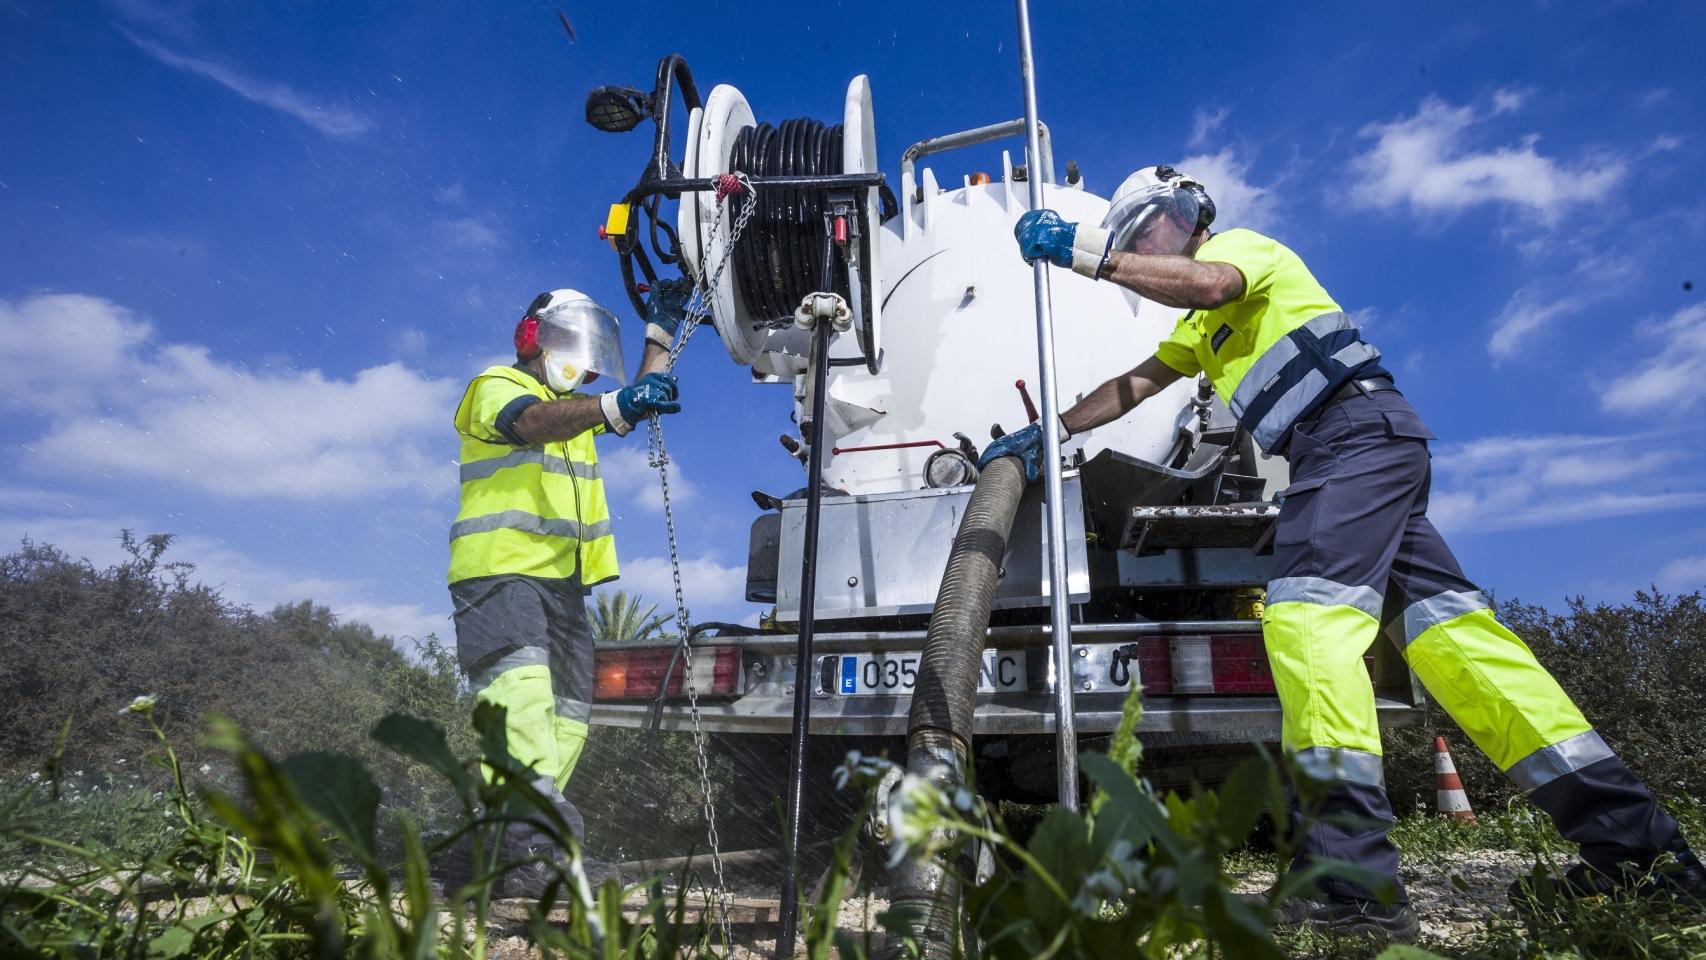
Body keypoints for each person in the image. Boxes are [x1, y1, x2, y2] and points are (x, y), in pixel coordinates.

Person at [981, 165, 1706, 939]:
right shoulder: (1196, 334)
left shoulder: (1243, 252)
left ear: (1191, 216)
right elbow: (1135, 384)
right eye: (1137, 240)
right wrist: (1056, 428)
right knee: (1461, 648)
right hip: (1369, 447)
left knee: (1306, 625)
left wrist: (1086, 251)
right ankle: (1641, 852)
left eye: (1157, 228)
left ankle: (1354, 888)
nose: (1151, 246)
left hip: (1351, 438)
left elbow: (1212, 282)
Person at [447, 280, 690, 895]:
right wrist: (616, 405)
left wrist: (660, 334)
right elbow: (531, 424)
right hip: (501, 572)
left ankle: (510, 848)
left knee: (569, 719)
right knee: (521, 706)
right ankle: (527, 855)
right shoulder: (500, 388)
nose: (581, 360)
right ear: (533, 337)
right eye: (568, 341)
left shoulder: (574, 417)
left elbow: (630, 403)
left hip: (560, 586)